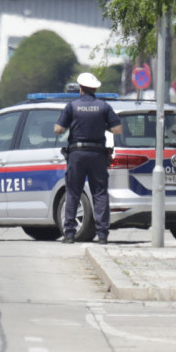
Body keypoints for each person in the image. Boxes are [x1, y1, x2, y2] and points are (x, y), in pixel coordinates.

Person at [54, 72, 122, 244]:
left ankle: (69, 234)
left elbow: (58, 129)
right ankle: (102, 235)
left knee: (73, 192)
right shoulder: (104, 106)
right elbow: (118, 130)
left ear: (80, 89)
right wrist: (101, 125)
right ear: (95, 89)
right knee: (99, 193)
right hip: (97, 154)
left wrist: (72, 125)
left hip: (76, 154)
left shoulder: (72, 106)